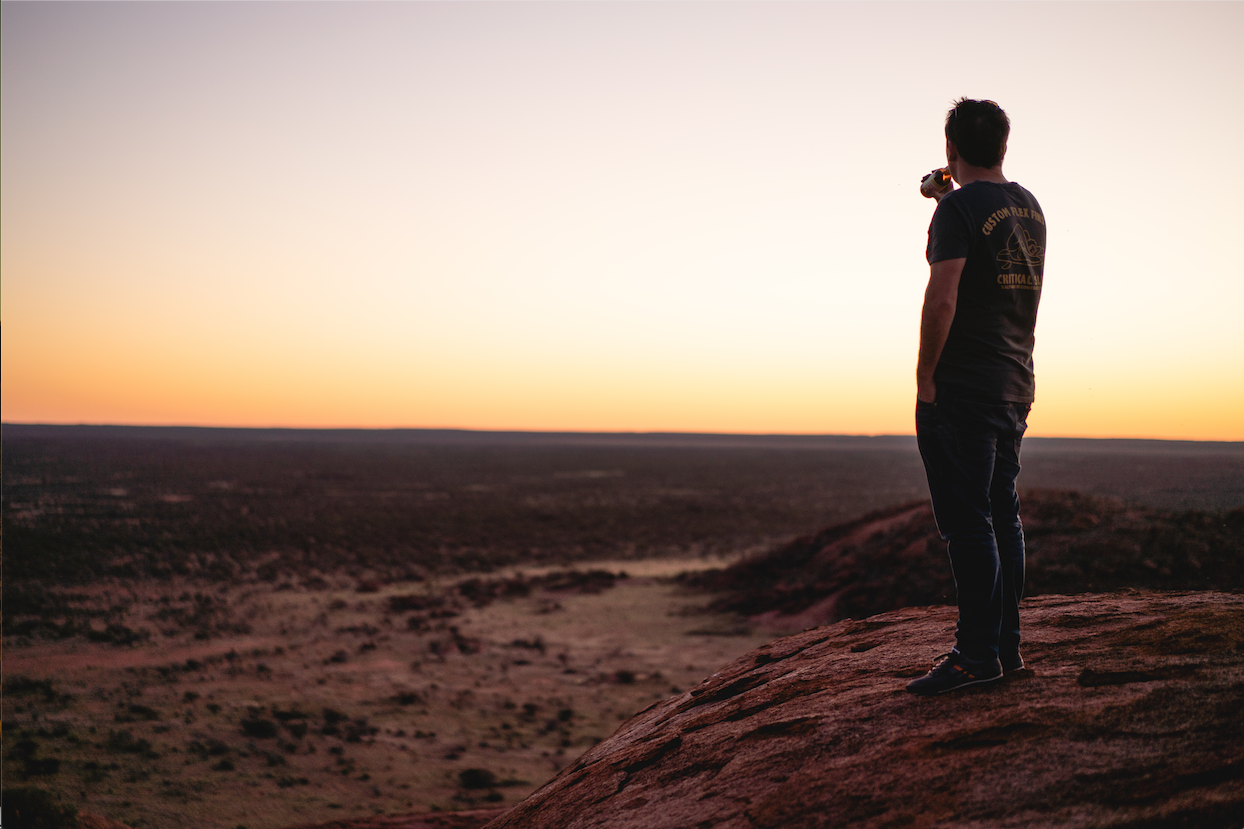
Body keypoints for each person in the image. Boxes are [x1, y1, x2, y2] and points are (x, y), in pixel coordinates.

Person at [906, 98, 1046, 696]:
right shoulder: (1029, 207)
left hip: (963, 386)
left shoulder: (960, 208)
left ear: (951, 148)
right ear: (1005, 147)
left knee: (968, 525)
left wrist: (925, 379)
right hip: (1014, 382)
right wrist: (947, 197)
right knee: (1003, 517)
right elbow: (996, 262)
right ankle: (1005, 648)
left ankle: (975, 655)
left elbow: (943, 297)